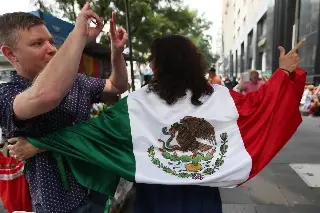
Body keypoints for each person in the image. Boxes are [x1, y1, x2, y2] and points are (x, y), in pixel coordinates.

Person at [9, 37, 306, 213]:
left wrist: (41, 143)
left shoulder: (138, 103)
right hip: (202, 198)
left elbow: (92, 134)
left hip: (155, 198)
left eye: (152, 59)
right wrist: (282, 74)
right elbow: (262, 107)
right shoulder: (220, 97)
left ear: (156, 66)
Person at [0, 2, 128, 212]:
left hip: (96, 189)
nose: (51, 49)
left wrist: (116, 52)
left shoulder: (77, 81)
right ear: (11, 54)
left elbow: (117, 85)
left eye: (51, 41)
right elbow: (47, 95)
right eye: (37, 43)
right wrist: (78, 34)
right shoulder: (7, 94)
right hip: (57, 204)